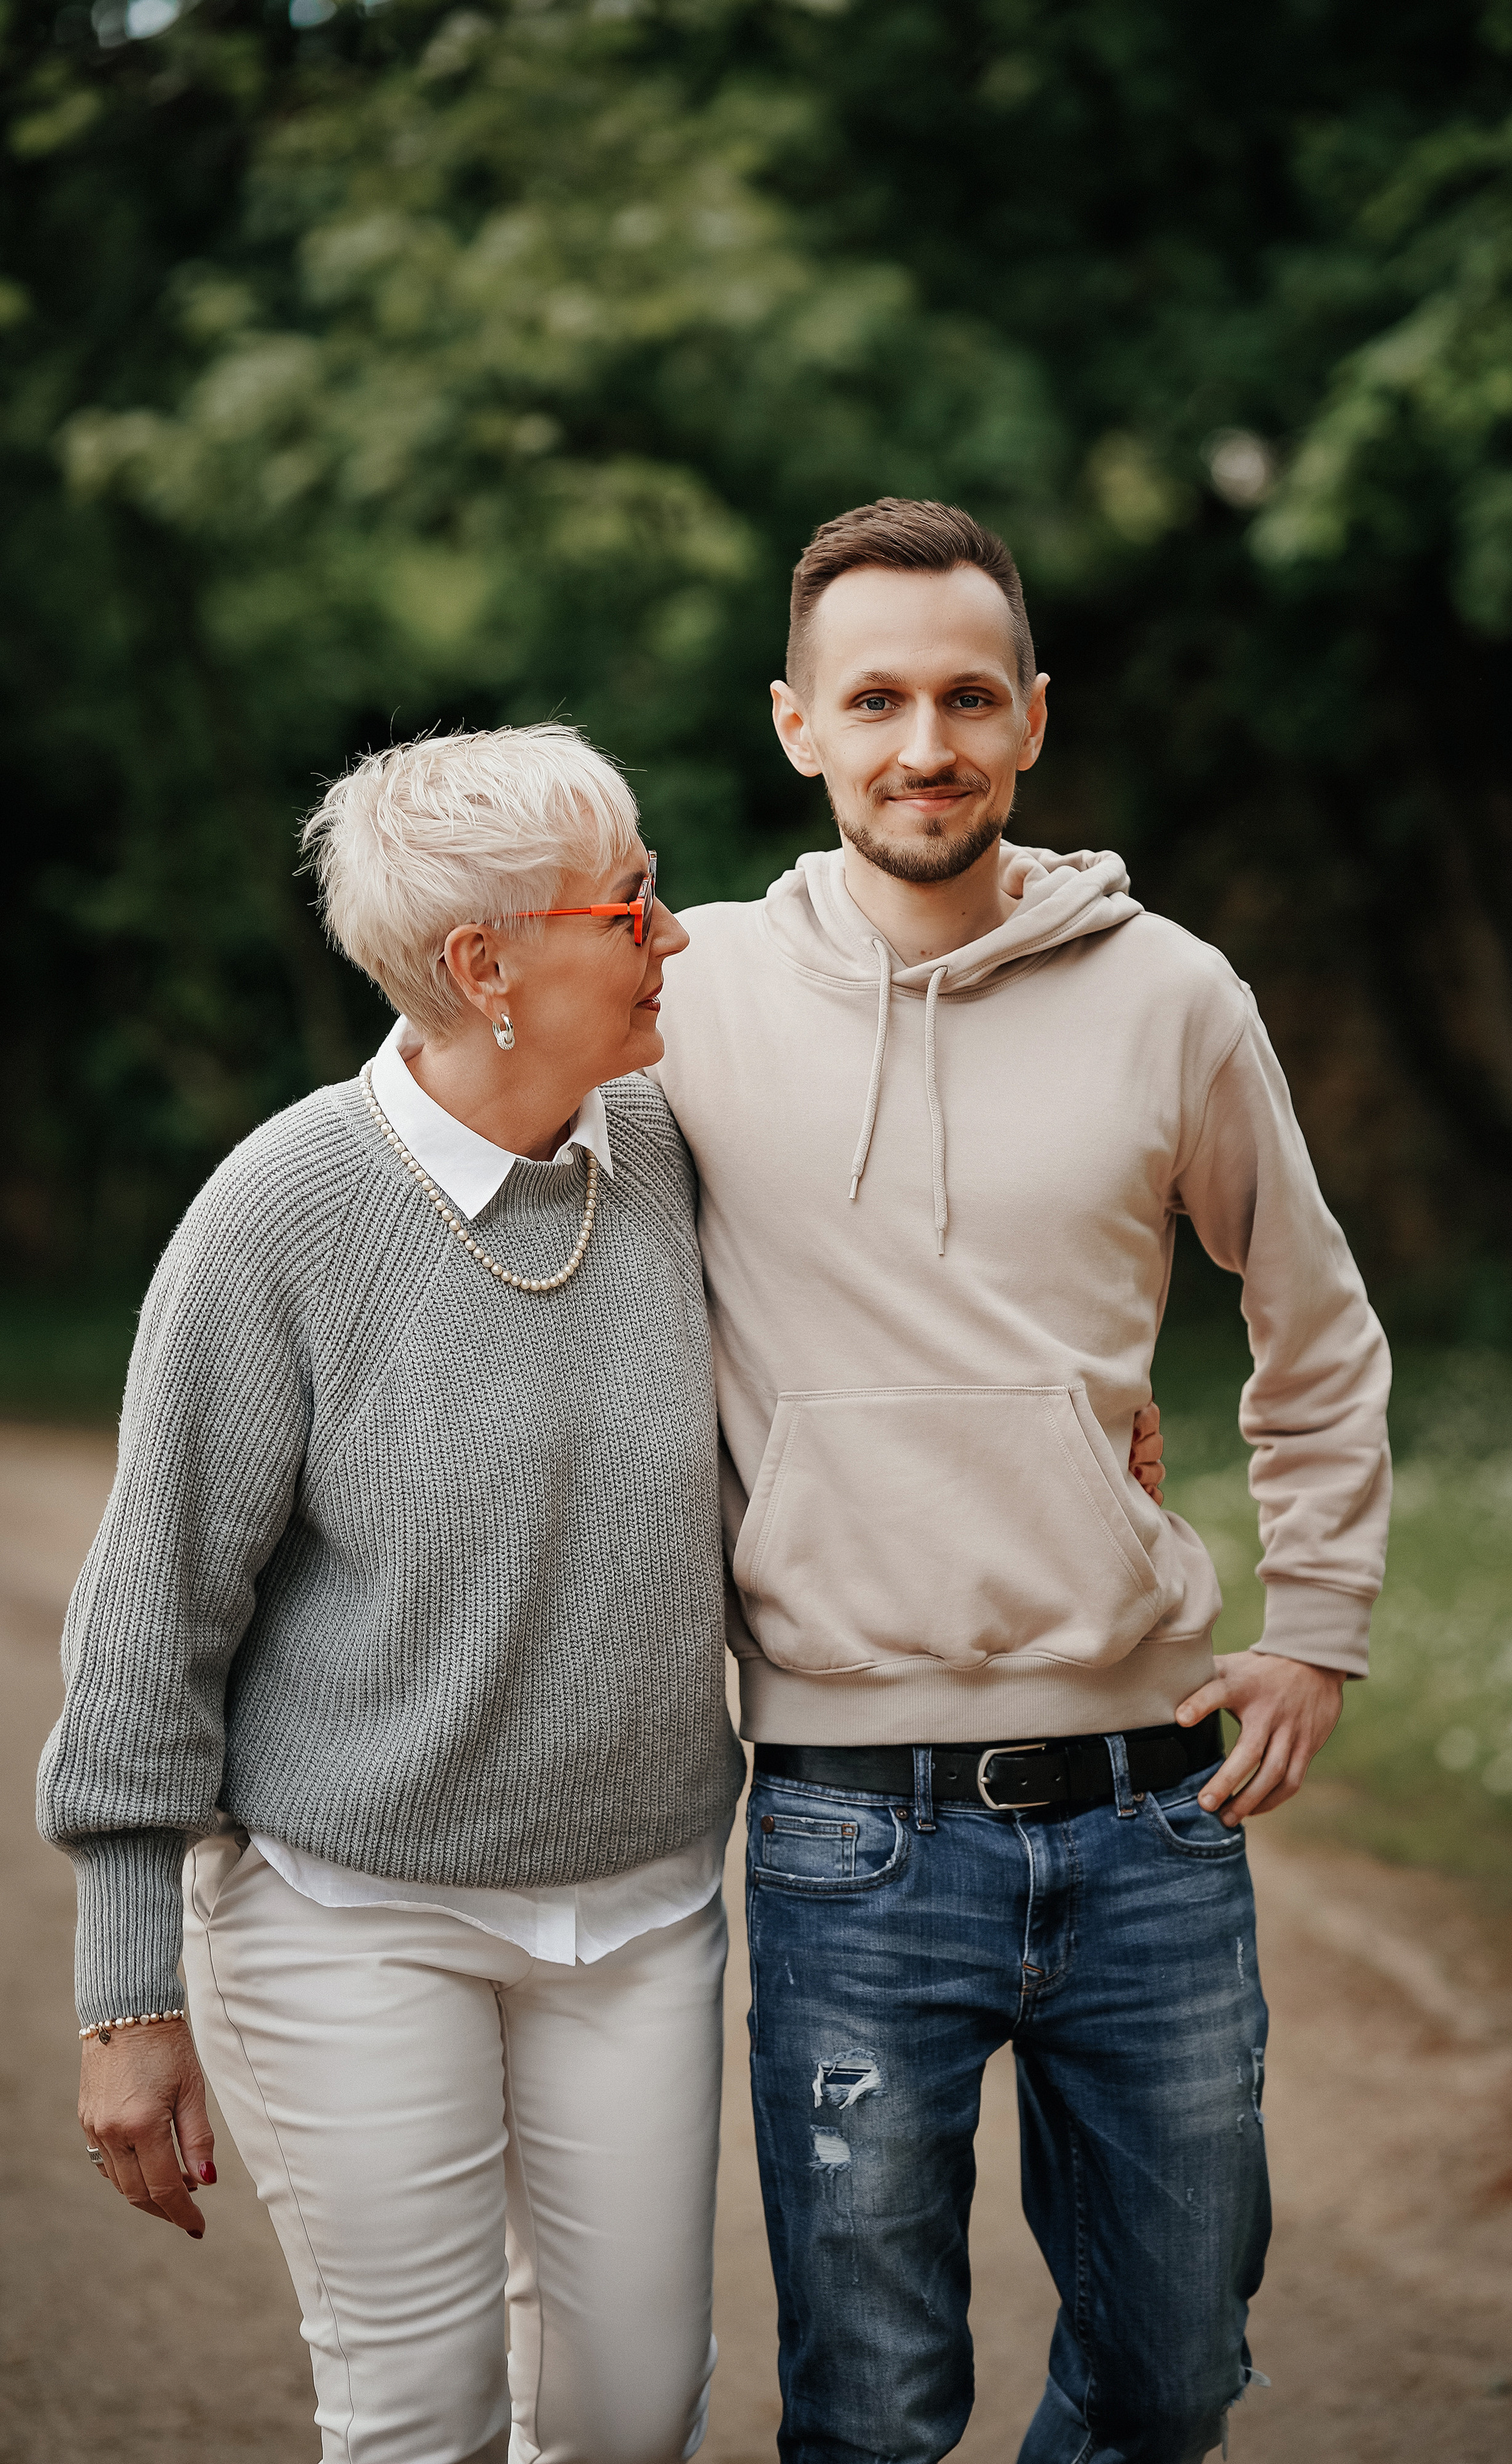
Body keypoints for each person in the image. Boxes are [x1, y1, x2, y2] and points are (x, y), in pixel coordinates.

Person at [651, 499, 1393, 2464]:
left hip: (1149, 1822)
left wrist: (1315, 1623)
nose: (926, 742)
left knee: (1172, 2376)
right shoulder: (687, 995)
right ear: (797, 724)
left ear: (1035, 720)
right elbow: (467, 1132)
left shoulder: (1174, 997)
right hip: (844, 1833)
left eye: (968, 696)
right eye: (875, 697)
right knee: (874, 2411)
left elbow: (1313, 1326)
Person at [37, 724, 748, 2464]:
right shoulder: (284, 1213)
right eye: (633, 902)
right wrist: (127, 1999)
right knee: (416, 2414)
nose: (675, 934)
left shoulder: (671, 1147)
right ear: (481, 966)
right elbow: (152, 1615)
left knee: (633, 2417)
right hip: (354, 1914)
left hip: (643, 1908)